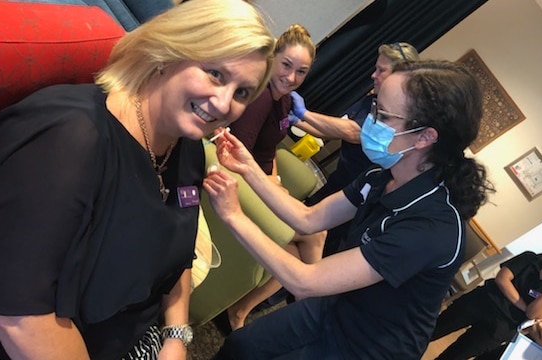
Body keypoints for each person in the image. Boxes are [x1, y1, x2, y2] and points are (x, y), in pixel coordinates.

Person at [0, 1, 275, 359]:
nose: (224, 104)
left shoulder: (185, 147)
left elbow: (178, 256)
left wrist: (176, 335)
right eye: (215, 73)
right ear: (168, 53)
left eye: (242, 93)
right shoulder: (69, 138)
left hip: (133, 337)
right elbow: (18, 314)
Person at [204, 59, 496, 359]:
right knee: (242, 346)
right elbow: (308, 218)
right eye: (374, 108)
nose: (369, 122)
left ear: (424, 137)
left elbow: (304, 280)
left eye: (383, 115)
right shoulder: (384, 176)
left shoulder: (432, 228)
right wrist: (248, 167)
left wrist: (233, 215)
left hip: (370, 346)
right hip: (339, 305)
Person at [223, 24, 324, 332]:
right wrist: (270, 187)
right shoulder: (262, 97)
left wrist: (276, 180)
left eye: (301, 72)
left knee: (295, 253)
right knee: (317, 235)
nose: (291, 77)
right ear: (273, 57)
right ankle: (311, 306)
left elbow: (272, 149)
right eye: (286, 66)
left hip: (265, 182)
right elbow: (240, 154)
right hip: (246, 179)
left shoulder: (284, 99)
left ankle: (239, 311)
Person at [291, 41, 420, 256]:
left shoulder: (399, 116)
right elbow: (333, 129)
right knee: (295, 230)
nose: (373, 75)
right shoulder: (372, 100)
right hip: (337, 183)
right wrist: (292, 119)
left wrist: (304, 114)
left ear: (400, 77)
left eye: (381, 70)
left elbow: (353, 132)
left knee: (310, 249)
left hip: (356, 203)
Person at [431, 242, 542, 360]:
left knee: (455, 356)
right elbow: (502, 279)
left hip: (500, 328)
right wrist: (524, 306)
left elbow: (534, 314)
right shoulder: (530, 259)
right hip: (481, 302)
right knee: (431, 331)